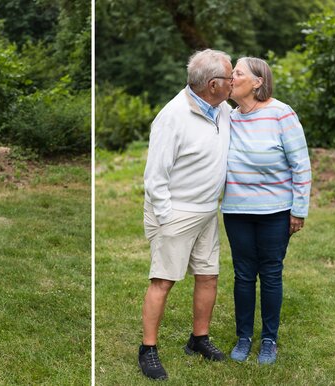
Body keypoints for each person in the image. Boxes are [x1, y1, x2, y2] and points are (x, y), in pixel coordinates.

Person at [138, 49, 233, 381]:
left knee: (208, 275)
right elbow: (155, 176)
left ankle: (199, 339)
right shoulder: (173, 115)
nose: (234, 81)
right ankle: (148, 349)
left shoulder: (222, 110)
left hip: (208, 211)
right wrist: (165, 218)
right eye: (230, 77)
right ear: (212, 84)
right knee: (163, 280)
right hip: (176, 212)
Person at [222, 57, 311, 365]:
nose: (230, 77)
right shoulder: (228, 117)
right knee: (243, 274)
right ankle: (244, 337)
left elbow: (301, 164)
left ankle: (269, 340)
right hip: (236, 211)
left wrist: (298, 209)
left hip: (275, 211)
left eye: (237, 73)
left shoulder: (280, 114)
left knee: (270, 273)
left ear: (257, 82)